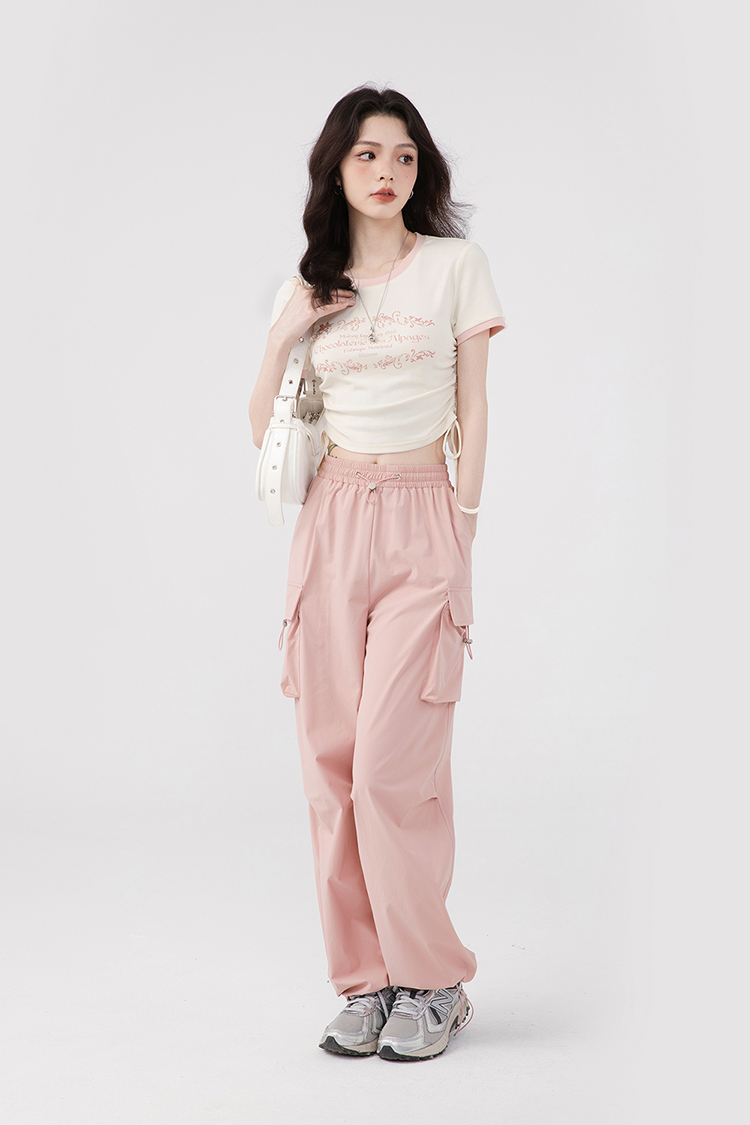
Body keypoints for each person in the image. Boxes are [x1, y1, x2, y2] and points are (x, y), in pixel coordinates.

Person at [248, 86, 505, 1062]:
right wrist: (287, 329)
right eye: (367, 155)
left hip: (422, 512)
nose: (387, 171)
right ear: (338, 169)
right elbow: (264, 431)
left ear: (420, 169)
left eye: (403, 155)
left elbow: (475, 407)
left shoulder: (455, 267)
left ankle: (433, 979)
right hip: (330, 520)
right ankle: (365, 980)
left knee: (392, 767)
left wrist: (461, 530)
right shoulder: (309, 284)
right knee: (331, 766)